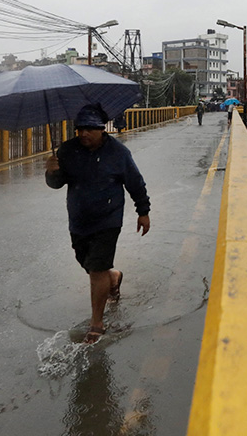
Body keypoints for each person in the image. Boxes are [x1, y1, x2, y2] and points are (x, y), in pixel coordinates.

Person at [45, 104, 151, 344]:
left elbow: (135, 183)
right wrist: (52, 173)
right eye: (80, 129)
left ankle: (97, 322)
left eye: (90, 129)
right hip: (79, 218)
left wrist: (143, 211)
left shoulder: (118, 153)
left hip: (108, 218)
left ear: (102, 129)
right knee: (88, 264)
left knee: (96, 270)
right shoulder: (67, 150)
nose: (84, 134)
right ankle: (113, 277)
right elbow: (56, 184)